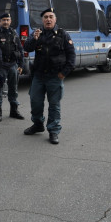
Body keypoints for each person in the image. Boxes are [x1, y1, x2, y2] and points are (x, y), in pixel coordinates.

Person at [23, 8, 75, 145]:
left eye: (51, 17)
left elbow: (71, 56)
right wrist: (34, 39)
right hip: (39, 76)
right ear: (42, 20)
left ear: (55, 19)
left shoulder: (63, 34)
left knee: (54, 105)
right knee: (35, 102)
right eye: (45, 17)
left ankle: (53, 131)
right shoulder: (37, 33)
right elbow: (27, 48)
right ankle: (38, 124)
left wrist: (64, 73)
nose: (48, 19)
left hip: (55, 76)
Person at [0, 13, 24, 120]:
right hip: (1, 66)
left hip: (13, 65)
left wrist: (21, 64)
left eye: (7, 20)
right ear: (0, 21)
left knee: (14, 89)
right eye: (3, 20)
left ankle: (14, 111)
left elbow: (20, 49)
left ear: (10, 21)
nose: (6, 22)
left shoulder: (14, 33)